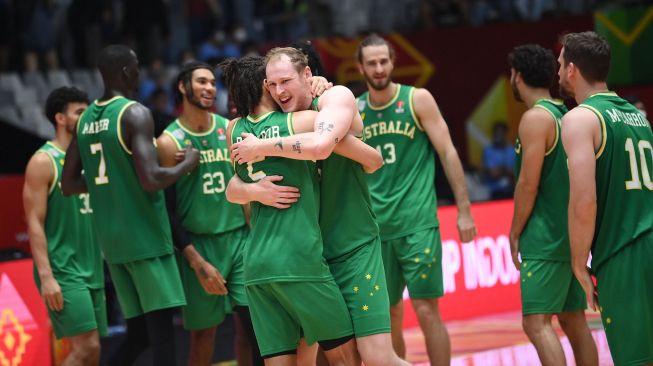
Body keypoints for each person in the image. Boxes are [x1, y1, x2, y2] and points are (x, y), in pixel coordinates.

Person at [229, 46, 410, 366]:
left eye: (285, 81)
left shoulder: (332, 99)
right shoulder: (284, 121)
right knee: (313, 357)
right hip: (311, 254)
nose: (279, 90)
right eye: (272, 84)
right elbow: (232, 187)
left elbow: (370, 158)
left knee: (376, 357)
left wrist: (261, 147)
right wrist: (254, 189)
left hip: (353, 247)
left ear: (308, 75)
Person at [61, 44, 200, 366]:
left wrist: (112, 187)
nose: (139, 73)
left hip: (114, 244)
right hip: (146, 239)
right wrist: (188, 163)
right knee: (165, 337)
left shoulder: (84, 121)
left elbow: (69, 184)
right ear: (126, 71)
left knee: (139, 336)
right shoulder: (133, 112)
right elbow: (151, 179)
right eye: (136, 67)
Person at [355, 34, 477, 365]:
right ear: (360, 68)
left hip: (417, 223)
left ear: (393, 62)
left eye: (384, 61)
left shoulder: (417, 99)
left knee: (426, 310)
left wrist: (464, 210)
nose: (379, 68)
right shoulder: (354, 111)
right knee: (390, 314)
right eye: (372, 63)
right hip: (376, 230)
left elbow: (448, 153)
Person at [156, 61, 262, 366]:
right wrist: (197, 262)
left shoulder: (227, 128)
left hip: (240, 240)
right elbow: (167, 210)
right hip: (200, 246)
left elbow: (244, 184)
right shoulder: (168, 142)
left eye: (213, 83)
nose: (209, 88)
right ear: (182, 86)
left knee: (257, 328)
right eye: (202, 82)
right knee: (204, 338)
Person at [559, 31, 653, 366]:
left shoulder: (580, 119)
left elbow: (584, 202)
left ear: (572, 70)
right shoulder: (637, 116)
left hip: (624, 252)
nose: (558, 72)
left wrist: (577, 262)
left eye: (559, 63)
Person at [507, 44, 598, 366]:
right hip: (570, 234)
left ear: (517, 77)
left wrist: (515, 231)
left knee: (536, 323)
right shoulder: (567, 113)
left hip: (545, 238)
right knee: (574, 320)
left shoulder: (536, 118)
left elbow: (527, 183)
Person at [23, 86, 104, 365]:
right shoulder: (43, 161)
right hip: (63, 269)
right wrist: (46, 277)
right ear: (60, 118)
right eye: (79, 112)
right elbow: (34, 222)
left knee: (93, 352)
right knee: (86, 347)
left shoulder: (91, 159)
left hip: (92, 263)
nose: (86, 117)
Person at [483, 121, 516, 199]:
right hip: (494, 192)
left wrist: (502, 170)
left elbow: (516, 172)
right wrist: (507, 170)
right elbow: (493, 173)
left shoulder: (512, 150)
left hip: (512, 190)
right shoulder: (488, 150)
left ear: (505, 133)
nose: (498, 135)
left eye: (500, 132)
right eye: (496, 132)